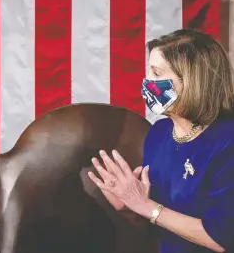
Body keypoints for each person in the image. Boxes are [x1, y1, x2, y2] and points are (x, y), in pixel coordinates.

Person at [88, 29, 234, 253]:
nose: (148, 81)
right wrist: (128, 206)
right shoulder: (159, 132)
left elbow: (222, 239)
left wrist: (145, 205)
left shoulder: (227, 142)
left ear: (192, 81)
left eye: (156, 73)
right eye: (149, 71)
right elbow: (158, 226)